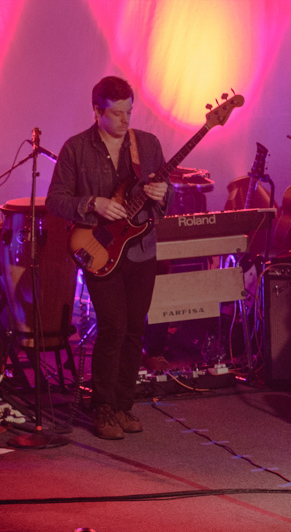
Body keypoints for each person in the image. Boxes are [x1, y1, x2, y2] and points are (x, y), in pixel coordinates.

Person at [47, 75, 171, 440]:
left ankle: (123, 405)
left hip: (141, 249)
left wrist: (163, 192)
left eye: (129, 112)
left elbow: (166, 198)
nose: (124, 121)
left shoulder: (146, 145)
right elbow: (56, 199)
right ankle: (102, 406)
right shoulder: (76, 149)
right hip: (99, 248)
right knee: (113, 326)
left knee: (135, 329)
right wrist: (93, 203)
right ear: (97, 111)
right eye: (116, 114)